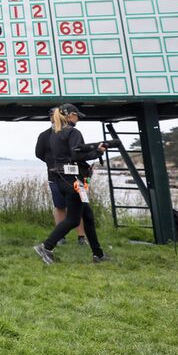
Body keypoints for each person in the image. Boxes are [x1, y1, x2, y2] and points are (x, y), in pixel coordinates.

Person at [34, 104, 109, 264]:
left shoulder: (55, 134)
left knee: (87, 216)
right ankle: (46, 247)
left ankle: (98, 254)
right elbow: (77, 154)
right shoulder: (73, 132)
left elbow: (70, 153)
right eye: (77, 115)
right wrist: (97, 152)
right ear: (69, 116)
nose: (79, 118)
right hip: (74, 181)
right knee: (74, 219)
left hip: (62, 179)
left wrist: (92, 148)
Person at [35, 108, 86, 245]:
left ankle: (81, 236)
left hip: (75, 176)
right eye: (51, 116)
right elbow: (39, 153)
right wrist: (52, 162)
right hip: (54, 175)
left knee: (78, 206)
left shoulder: (71, 132)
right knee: (59, 206)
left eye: (55, 115)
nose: (53, 118)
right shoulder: (44, 135)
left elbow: (78, 151)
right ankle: (60, 237)